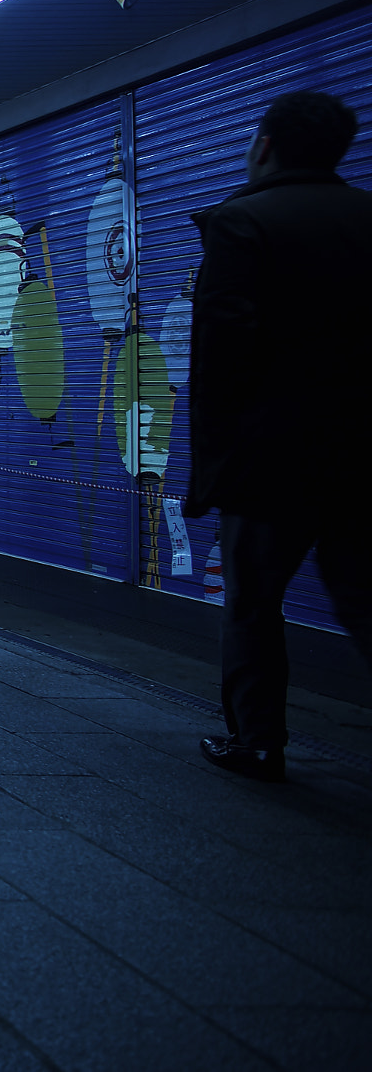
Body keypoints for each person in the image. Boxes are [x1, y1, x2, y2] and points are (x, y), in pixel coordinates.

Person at [185, 90, 372, 783]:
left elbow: (220, 360)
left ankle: (258, 740)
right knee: (363, 598)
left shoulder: (242, 224)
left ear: (263, 143)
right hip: (363, 455)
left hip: (273, 459)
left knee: (255, 601)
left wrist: (211, 472)